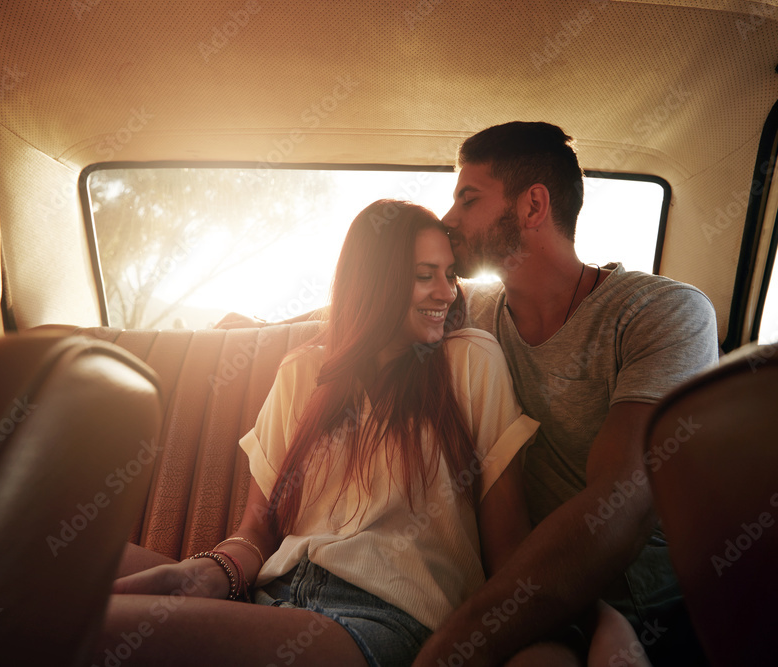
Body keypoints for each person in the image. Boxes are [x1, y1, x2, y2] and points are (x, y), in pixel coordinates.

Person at [99, 200, 652, 667]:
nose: (447, 293)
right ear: (374, 282)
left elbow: (508, 550)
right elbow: (255, 532)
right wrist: (208, 570)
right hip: (271, 591)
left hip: (382, 618)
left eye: (449, 274)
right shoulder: (303, 372)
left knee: (90, 631)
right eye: (424, 275)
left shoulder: (470, 361)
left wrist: (592, 617)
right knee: (49, 573)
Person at [412, 122, 719, 667]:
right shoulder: (475, 310)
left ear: (533, 207)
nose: (448, 219)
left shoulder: (663, 314)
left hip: (651, 614)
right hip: (522, 599)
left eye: (468, 198)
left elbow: (620, 502)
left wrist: (453, 647)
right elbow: (370, 317)